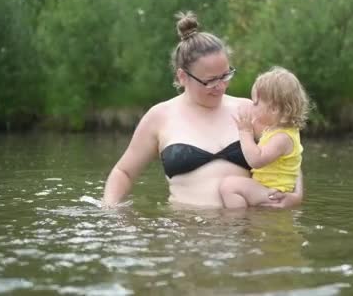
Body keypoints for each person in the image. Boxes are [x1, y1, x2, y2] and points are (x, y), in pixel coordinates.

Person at [102, 11, 303, 209]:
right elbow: (124, 172)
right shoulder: (159, 116)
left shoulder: (249, 110)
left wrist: (295, 196)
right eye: (210, 81)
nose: (221, 86)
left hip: (245, 233)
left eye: (225, 76)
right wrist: (109, 209)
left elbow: (289, 154)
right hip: (186, 230)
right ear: (182, 76)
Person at [219, 67, 310, 208]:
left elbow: (256, 160)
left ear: (274, 109)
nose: (251, 106)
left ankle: (239, 222)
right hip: (270, 189)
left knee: (229, 186)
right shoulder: (278, 130)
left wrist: (245, 132)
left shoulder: (282, 137)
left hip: (272, 192)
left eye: (255, 103)